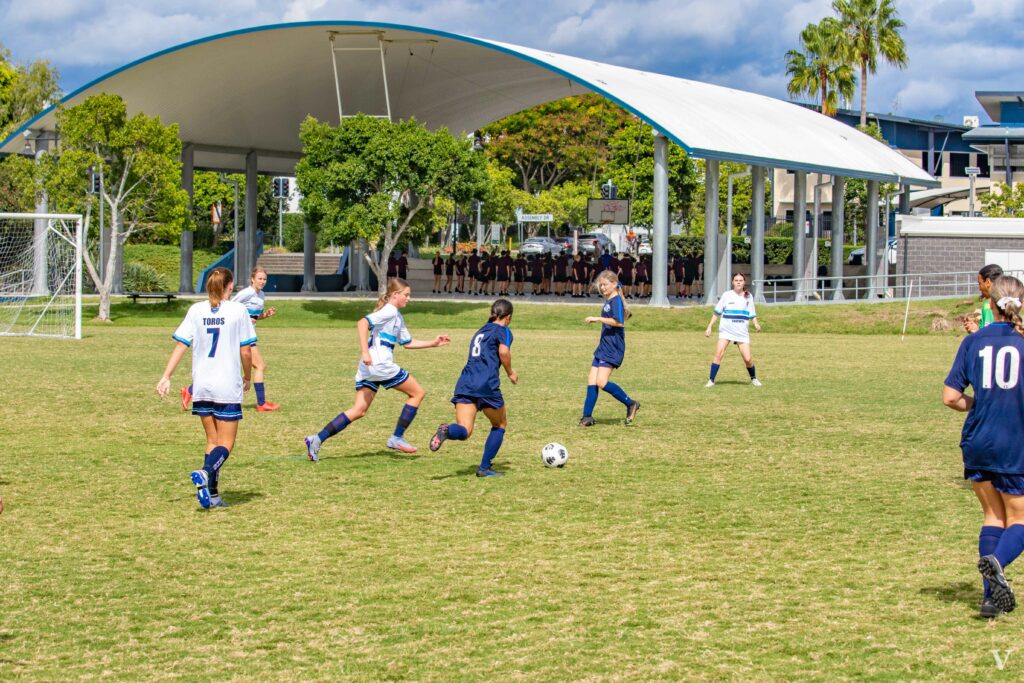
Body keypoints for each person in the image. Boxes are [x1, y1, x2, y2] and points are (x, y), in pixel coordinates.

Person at [943, 275, 1024, 618]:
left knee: (993, 515)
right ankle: (997, 561)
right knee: (1019, 518)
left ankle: (990, 599)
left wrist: (980, 405)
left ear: (991, 304)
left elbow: (950, 397)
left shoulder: (973, 341)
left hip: (978, 440)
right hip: (1014, 440)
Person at [304, 278, 450, 460]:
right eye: (406, 295)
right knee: (417, 393)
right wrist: (365, 352)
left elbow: (408, 342)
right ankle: (396, 437)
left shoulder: (396, 315)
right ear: (395, 295)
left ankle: (316, 439)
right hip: (380, 364)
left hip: (369, 368)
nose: (409, 298)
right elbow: (362, 323)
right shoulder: (389, 310)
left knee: (359, 410)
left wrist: (433, 343)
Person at [157, 267, 255, 508]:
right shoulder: (238, 310)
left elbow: (182, 345)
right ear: (230, 286)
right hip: (226, 384)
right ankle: (205, 472)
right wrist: (248, 376)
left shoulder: (196, 310)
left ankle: (212, 495)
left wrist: (166, 375)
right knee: (226, 444)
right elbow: (245, 350)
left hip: (201, 385)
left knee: (212, 441)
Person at [429, 298, 518, 477]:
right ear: (507, 317)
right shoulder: (504, 330)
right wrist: (510, 372)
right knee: (499, 423)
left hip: (465, 383)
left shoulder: (480, 332)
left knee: (464, 430)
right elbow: (503, 351)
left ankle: (447, 431)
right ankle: (484, 468)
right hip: (486, 384)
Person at [579, 270, 640, 427]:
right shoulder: (608, 300)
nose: (602, 287)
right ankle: (586, 417)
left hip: (613, 346)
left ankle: (631, 403)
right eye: (601, 285)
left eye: (605, 284)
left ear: (614, 284)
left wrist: (598, 318)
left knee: (601, 381)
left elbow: (619, 322)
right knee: (592, 380)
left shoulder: (616, 301)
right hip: (604, 345)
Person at [704, 273, 761, 387]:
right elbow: (717, 313)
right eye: (736, 280)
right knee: (719, 354)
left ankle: (754, 378)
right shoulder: (726, 295)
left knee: (748, 359)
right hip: (726, 331)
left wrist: (756, 323)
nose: (738, 282)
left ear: (744, 282)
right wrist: (709, 327)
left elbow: (752, 313)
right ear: (732, 282)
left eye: (740, 280)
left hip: (741, 332)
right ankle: (711, 380)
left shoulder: (748, 296)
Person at [964, 264, 1004, 333]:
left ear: (988, 282)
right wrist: (976, 330)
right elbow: (985, 333)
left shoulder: (1003, 305)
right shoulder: (986, 305)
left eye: (980, 283)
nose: (979, 288)